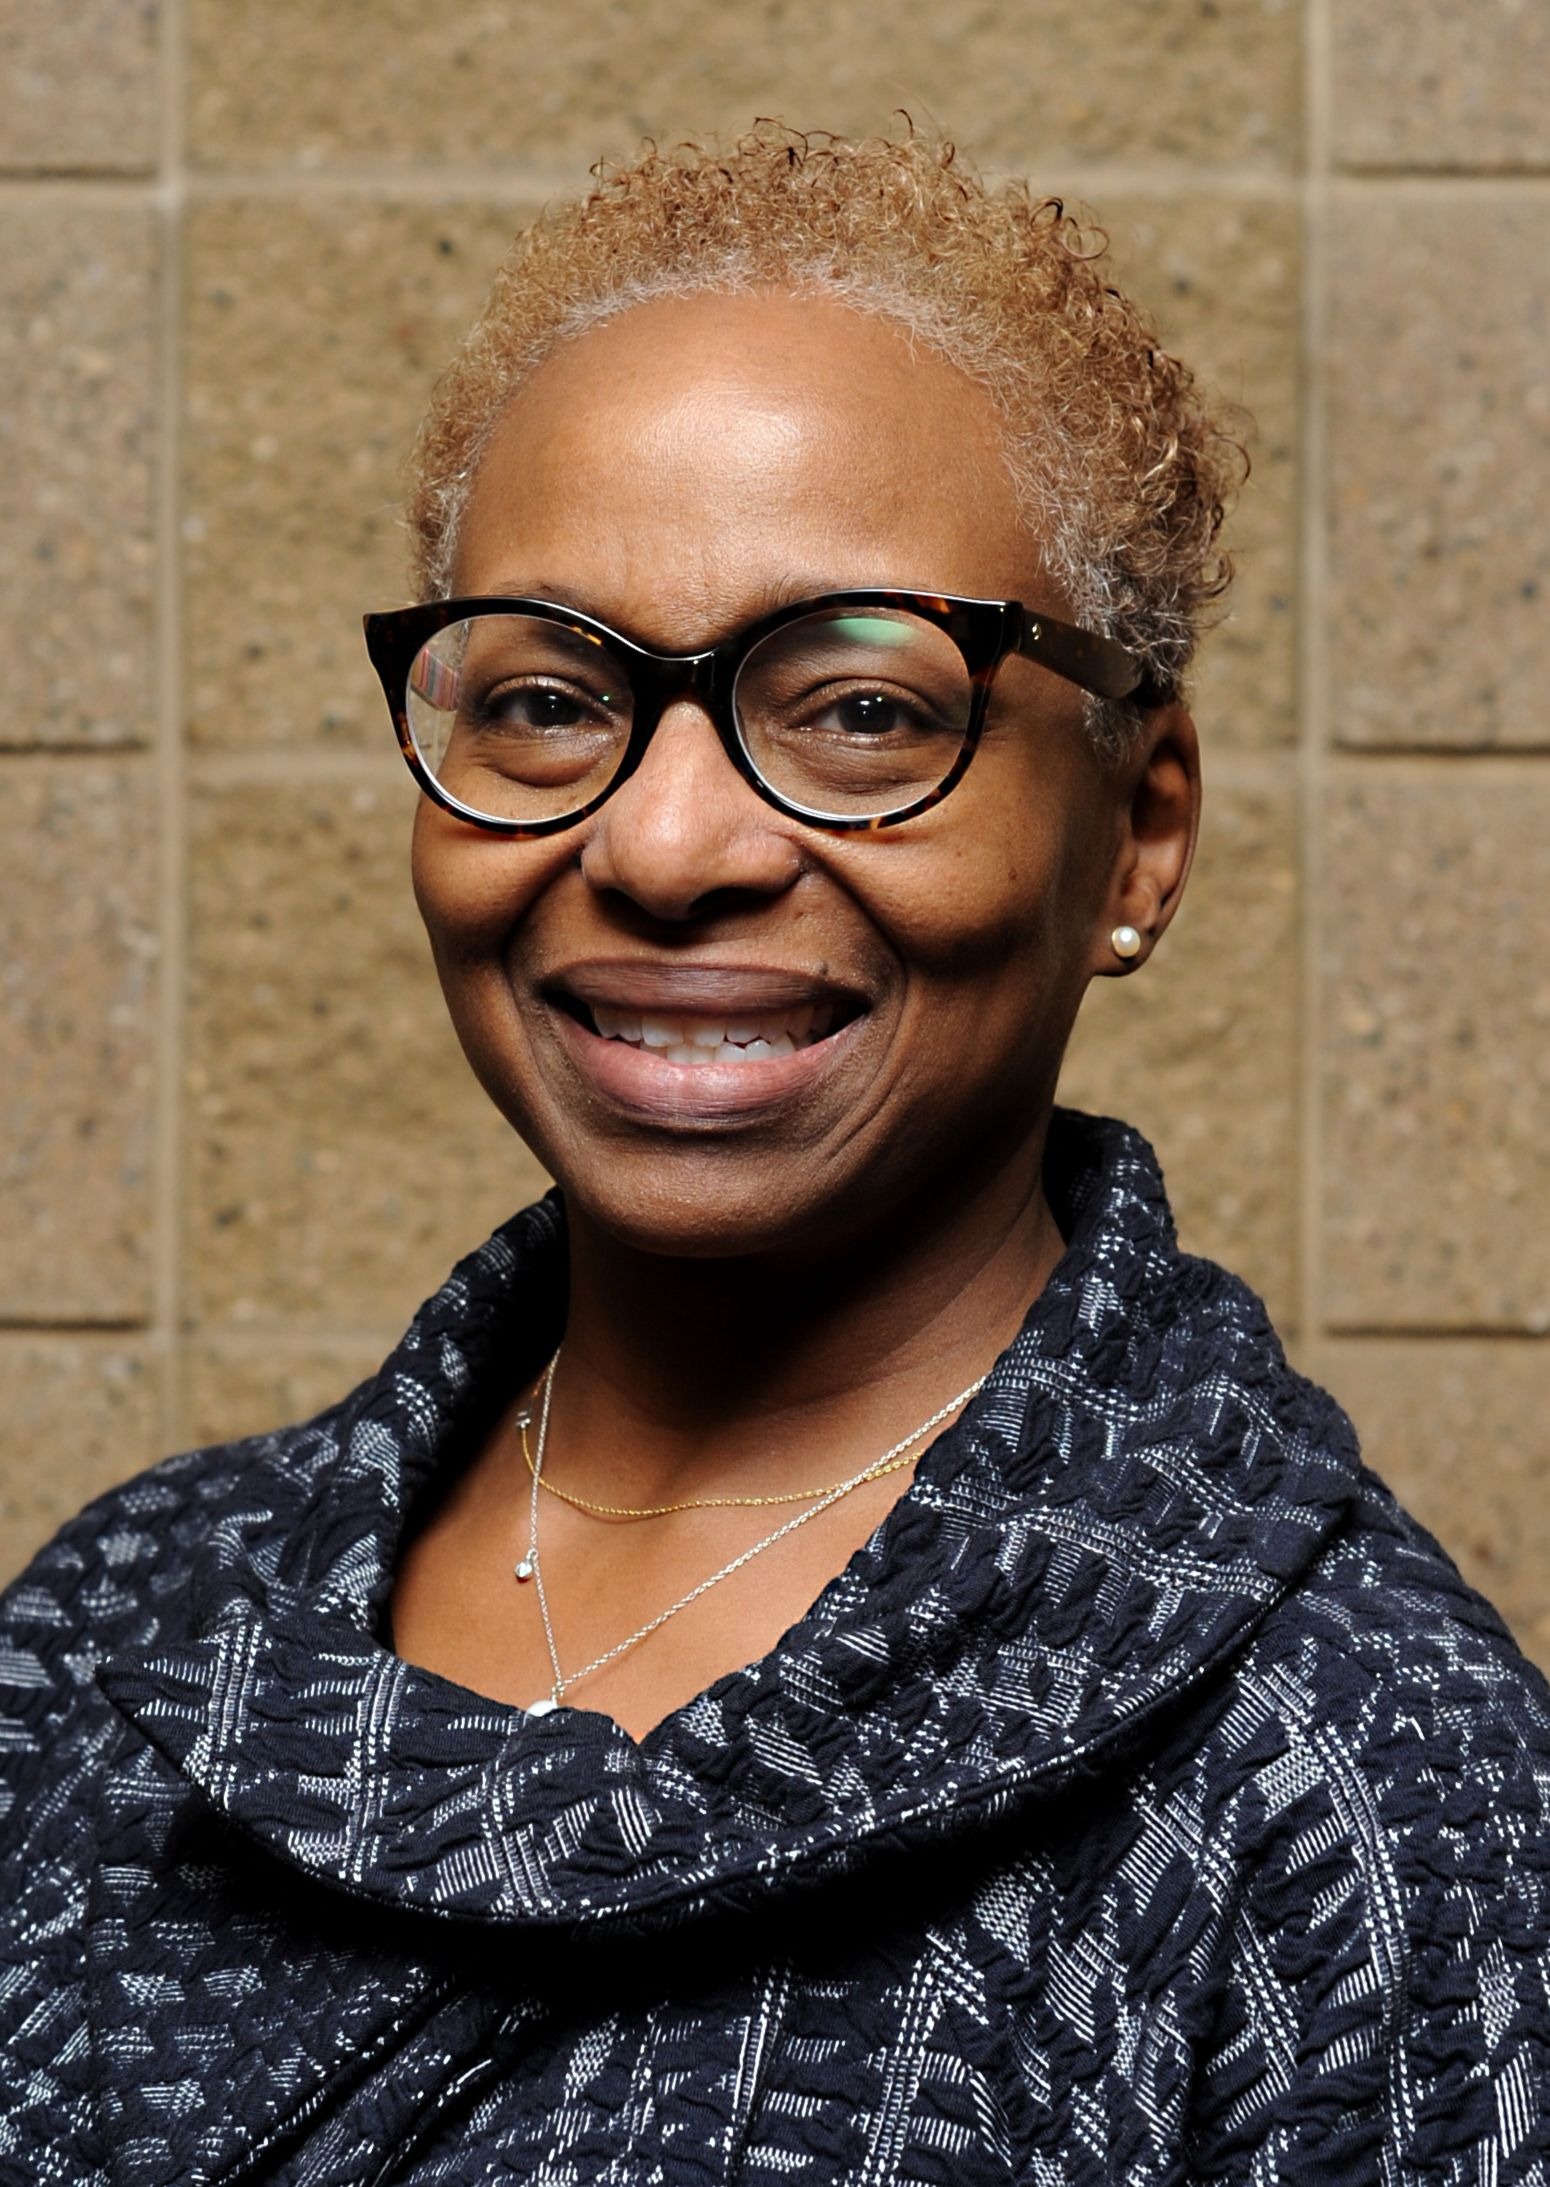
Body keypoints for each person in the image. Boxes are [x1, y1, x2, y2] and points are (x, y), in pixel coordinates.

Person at [1, 123, 1546, 2184]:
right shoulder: (118, 1628)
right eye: (548, 697)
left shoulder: (1362, 1785)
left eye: (860, 711)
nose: (662, 844)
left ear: (1137, 831)